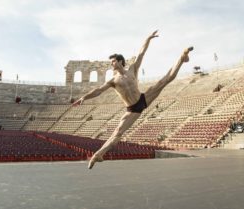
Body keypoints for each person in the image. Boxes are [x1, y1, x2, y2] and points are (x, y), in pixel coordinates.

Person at [72, 30, 193, 169]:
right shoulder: (113, 80)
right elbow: (98, 91)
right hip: (132, 109)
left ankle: (182, 58)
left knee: (166, 80)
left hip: (143, 99)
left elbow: (141, 53)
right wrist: (84, 98)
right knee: (117, 133)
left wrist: (148, 38)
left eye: (113, 61)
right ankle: (98, 154)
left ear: (120, 62)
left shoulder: (133, 70)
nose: (111, 64)